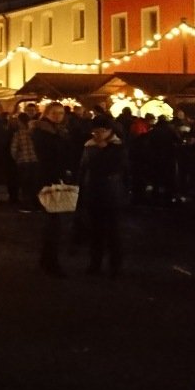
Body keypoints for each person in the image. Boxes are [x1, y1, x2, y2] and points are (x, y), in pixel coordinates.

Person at [79, 115, 129, 277]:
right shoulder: (89, 146)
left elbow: (115, 168)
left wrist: (103, 150)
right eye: (95, 131)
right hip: (93, 193)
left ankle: (115, 266)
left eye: (102, 131)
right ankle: (95, 264)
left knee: (113, 233)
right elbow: (83, 168)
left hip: (112, 194)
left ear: (110, 131)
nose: (98, 134)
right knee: (95, 232)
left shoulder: (118, 147)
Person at [34, 101, 78, 277]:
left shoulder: (58, 131)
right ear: (47, 114)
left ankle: (47, 259)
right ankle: (51, 262)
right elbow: (49, 156)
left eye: (61, 113)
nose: (58, 116)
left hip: (56, 177)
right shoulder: (44, 132)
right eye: (54, 113)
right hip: (50, 179)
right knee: (54, 223)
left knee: (55, 222)